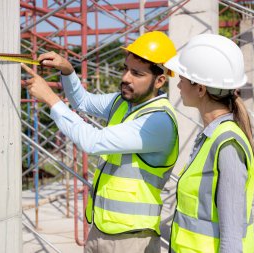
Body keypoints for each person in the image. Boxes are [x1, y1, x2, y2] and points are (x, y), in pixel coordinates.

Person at [21, 31, 179, 253]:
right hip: (101, 229)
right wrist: (67, 71)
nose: (125, 77)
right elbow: (83, 102)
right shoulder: (123, 103)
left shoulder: (158, 121)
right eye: (125, 68)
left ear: (159, 80)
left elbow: (93, 142)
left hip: (132, 239)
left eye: (136, 73)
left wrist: (50, 98)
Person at [164, 34, 254, 253]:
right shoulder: (212, 135)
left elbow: (232, 239)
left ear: (201, 89)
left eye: (183, 78)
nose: (178, 84)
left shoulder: (227, 145)